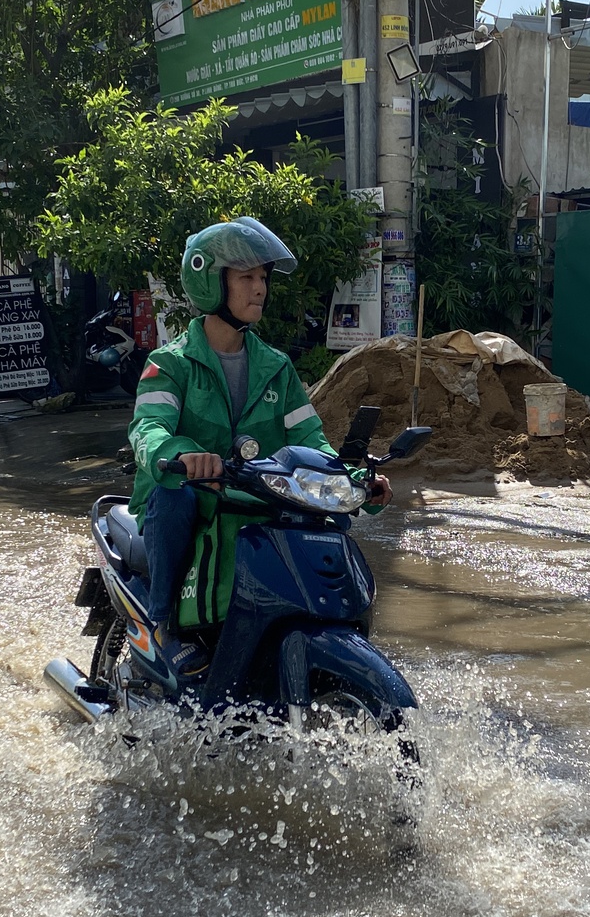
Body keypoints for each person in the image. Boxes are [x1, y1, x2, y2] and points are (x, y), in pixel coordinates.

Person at [128, 218, 392, 674]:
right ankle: (162, 624)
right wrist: (178, 456)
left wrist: (355, 483)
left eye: (263, 278)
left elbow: (310, 440)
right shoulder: (170, 363)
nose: (260, 289)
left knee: (324, 521)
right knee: (175, 497)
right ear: (213, 282)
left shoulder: (276, 366)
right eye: (246, 277)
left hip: (252, 494)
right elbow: (148, 427)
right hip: (192, 496)